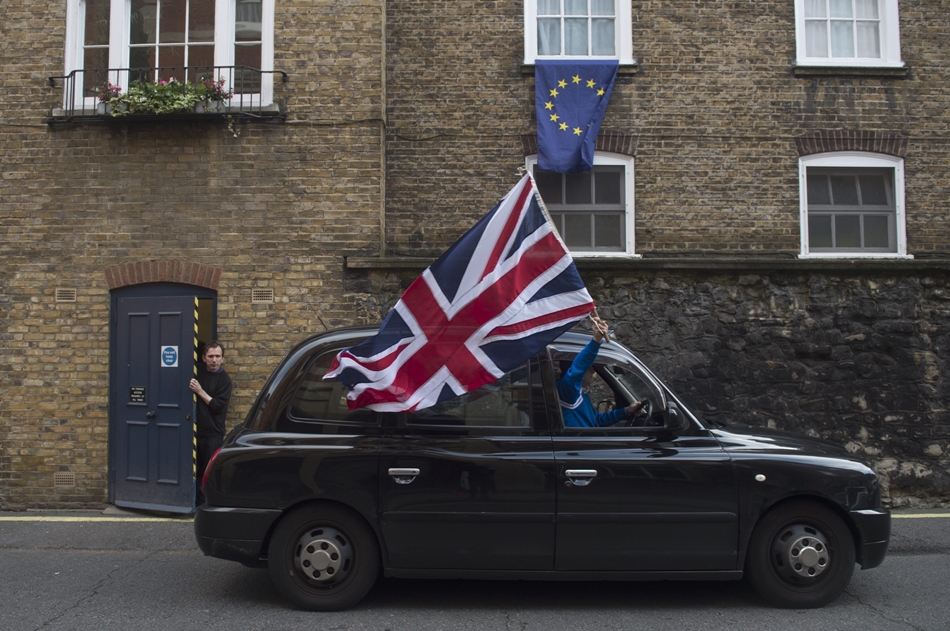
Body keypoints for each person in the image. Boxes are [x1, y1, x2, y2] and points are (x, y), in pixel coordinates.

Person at [558, 315, 645, 428]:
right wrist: (596, 341)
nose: (593, 370)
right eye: (589, 367)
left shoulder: (577, 392)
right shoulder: (567, 389)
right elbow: (578, 367)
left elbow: (596, 420)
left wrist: (627, 411)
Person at [189, 341, 232, 505]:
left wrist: (199, 391)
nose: (214, 360)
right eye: (210, 356)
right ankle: (194, 502)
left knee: (209, 471)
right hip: (195, 431)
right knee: (195, 470)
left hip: (213, 433)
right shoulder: (197, 373)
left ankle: (206, 503)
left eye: (217, 356)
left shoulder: (224, 380)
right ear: (203, 358)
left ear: (222, 359)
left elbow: (218, 406)